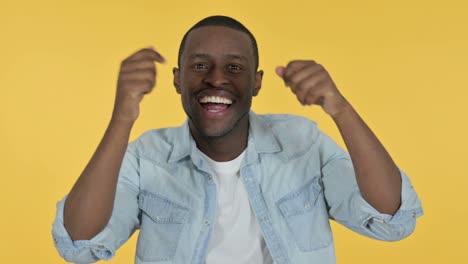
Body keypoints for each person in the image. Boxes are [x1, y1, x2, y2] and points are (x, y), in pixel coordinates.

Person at [52, 15, 423, 264]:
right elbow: (79, 244)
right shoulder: (146, 157)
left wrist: (340, 108)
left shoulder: (302, 142)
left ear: (256, 81)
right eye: (200, 66)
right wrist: (122, 119)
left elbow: (392, 218)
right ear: (177, 79)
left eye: (234, 67)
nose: (216, 79)